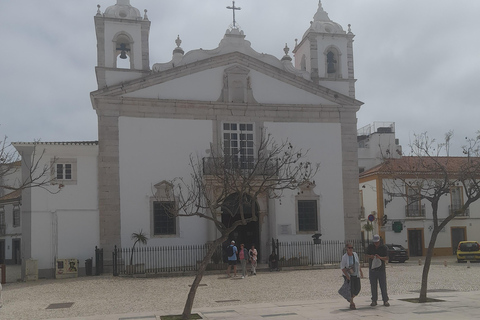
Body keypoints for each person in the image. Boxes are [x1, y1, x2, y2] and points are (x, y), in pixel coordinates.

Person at [366, 234, 390, 307]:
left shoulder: (384, 248)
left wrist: (380, 257)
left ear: (379, 241)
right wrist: (371, 256)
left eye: (377, 242)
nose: (376, 244)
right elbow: (366, 255)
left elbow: (387, 258)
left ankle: (385, 300)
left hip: (381, 269)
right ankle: (374, 300)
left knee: (383, 285)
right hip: (372, 269)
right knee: (373, 285)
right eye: (375, 242)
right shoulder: (370, 247)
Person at [340, 242, 364, 310]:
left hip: (356, 274)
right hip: (349, 276)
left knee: (357, 289)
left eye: (351, 248)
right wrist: (347, 276)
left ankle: (350, 298)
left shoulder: (355, 254)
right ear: (346, 249)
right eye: (349, 248)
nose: (350, 249)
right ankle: (352, 303)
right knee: (351, 289)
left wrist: (361, 271)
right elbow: (342, 267)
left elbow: (358, 263)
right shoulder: (344, 257)